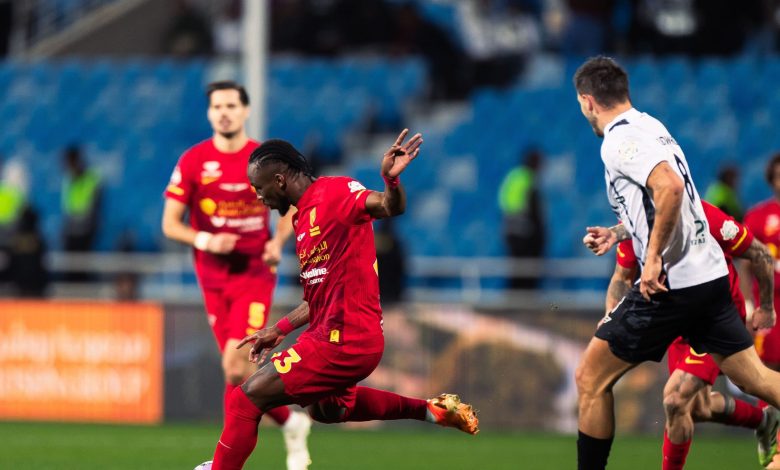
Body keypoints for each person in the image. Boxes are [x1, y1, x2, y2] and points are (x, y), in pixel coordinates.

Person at [203, 131, 478, 470]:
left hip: (343, 339)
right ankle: (430, 410)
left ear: (279, 180)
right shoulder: (301, 219)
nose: (259, 197)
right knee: (327, 410)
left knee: (245, 399)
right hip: (334, 335)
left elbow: (389, 206)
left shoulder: (336, 192)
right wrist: (279, 329)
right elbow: (316, 298)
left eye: (259, 188)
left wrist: (391, 181)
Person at [573, 56, 780, 470]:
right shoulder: (652, 126)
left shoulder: (617, 141)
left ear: (587, 101)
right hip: (709, 278)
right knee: (756, 379)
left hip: (673, 285)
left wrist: (651, 260)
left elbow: (669, 188)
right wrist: (619, 232)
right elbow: (665, 203)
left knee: (590, 379)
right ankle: (765, 421)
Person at [162, 81, 311, 470]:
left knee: (233, 365)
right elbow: (170, 224)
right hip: (212, 278)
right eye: (217, 106)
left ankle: (221, 464)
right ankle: (291, 422)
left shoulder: (261, 160)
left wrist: (278, 242)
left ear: (245, 111)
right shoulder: (194, 161)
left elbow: (293, 207)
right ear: (209, 113)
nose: (224, 113)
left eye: (231, 105)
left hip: (254, 273)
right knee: (237, 372)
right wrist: (206, 240)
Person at [607, 201, 779, 469]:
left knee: (676, 397)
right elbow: (622, 276)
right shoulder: (636, 224)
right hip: (678, 323)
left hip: (713, 317)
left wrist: (765, 306)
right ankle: (763, 420)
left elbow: (760, 253)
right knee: (694, 407)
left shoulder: (703, 215)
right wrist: (610, 322)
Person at [744, 153, 780, 373]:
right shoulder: (758, 216)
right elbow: (745, 267)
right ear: (771, 180)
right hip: (770, 303)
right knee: (769, 368)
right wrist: (748, 307)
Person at [498, 148, 545, 289]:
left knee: (516, 269)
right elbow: (534, 208)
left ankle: (514, 296)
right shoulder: (529, 179)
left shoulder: (513, 176)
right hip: (525, 231)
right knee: (527, 271)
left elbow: (504, 201)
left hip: (510, 228)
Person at [62, 145, 101, 281]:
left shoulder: (91, 178)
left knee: (83, 267)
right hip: (71, 229)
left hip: (86, 230)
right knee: (70, 268)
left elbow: (94, 205)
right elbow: (68, 206)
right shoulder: (68, 180)